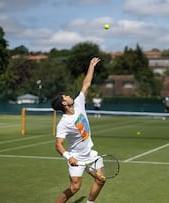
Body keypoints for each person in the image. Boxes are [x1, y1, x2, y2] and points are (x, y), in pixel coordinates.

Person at [51, 57, 105, 203]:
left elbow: (86, 84)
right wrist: (70, 158)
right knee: (75, 188)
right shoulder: (64, 123)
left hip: (90, 154)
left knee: (101, 180)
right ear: (64, 103)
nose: (69, 96)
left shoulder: (79, 103)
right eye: (66, 96)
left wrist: (91, 66)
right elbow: (58, 144)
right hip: (77, 157)